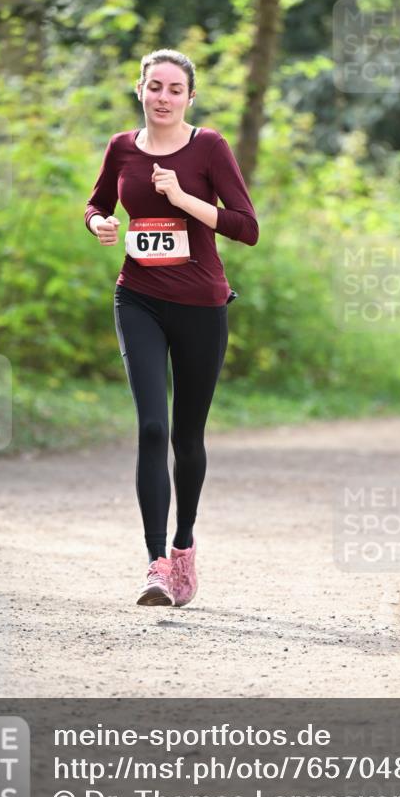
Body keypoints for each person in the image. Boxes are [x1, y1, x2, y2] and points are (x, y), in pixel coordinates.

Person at [85, 48, 258, 607]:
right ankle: (156, 563)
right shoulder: (121, 148)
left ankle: (184, 548)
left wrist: (183, 198)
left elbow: (246, 227)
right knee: (153, 429)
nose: (163, 97)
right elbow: (94, 204)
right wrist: (101, 224)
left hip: (202, 306)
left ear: (189, 96)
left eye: (174, 89)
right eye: (154, 87)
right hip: (138, 298)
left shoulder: (209, 147)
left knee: (187, 436)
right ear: (140, 89)